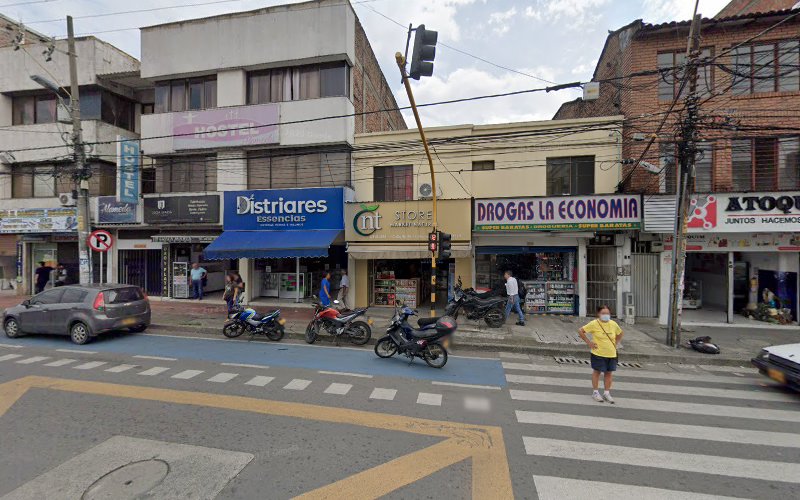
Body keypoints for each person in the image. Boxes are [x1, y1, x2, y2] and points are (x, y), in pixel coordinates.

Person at [578, 305, 624, 404]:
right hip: (598, 353)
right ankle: (595, 392)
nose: (605, 315)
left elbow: (620, 333)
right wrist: (589, 342)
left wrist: (616, 343)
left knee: (609, 373)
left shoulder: (613, 324)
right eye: (603, 313)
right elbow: (581, 331)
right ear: (598, 314)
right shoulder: (594, 324)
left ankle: (607, 393)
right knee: (597, 372)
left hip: (611, 353)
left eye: (607, 313)